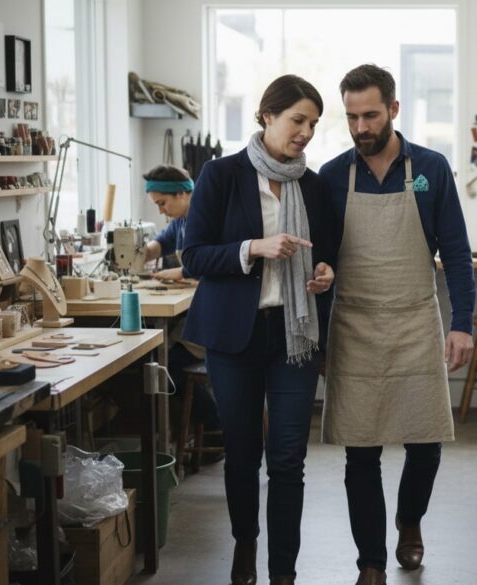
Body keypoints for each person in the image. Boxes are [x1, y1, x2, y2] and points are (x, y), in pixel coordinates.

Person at [319, 64, 475, 585]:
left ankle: (409, 521)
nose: (361, 127)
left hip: (414, 320)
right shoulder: (332, 175)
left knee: (425, 442)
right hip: (354, 325)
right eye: (351, 117)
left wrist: (462, 323)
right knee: (359, 451)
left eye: (370, 115)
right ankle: (371, 562)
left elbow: (455, 253)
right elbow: (318, 262)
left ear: (393, 110)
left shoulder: (431, 168)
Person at [181, 74, 337, 585]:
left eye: (313, 124)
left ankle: (284, 571)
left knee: (289, 460)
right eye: (298, 120)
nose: (306, 133)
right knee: (243, 454)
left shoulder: (313, 186)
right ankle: (245, 544)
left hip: (294, 337)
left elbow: (329, 255)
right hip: (235, 337)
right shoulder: (221, 176)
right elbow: (193, 256)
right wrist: (254, 248)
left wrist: (324, 274)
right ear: (267, 115)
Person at [139, 164, 220, 435]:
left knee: (166, 366)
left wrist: (178, 272)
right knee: (158, 358)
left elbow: (212, 262)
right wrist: (138, 252)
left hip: (215, 313)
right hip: (198, 308)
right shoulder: (181, 221)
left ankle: (216, 428)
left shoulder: (206, 215)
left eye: (162, 203)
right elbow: (160, 243)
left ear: (180, 195)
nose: (161, 211)